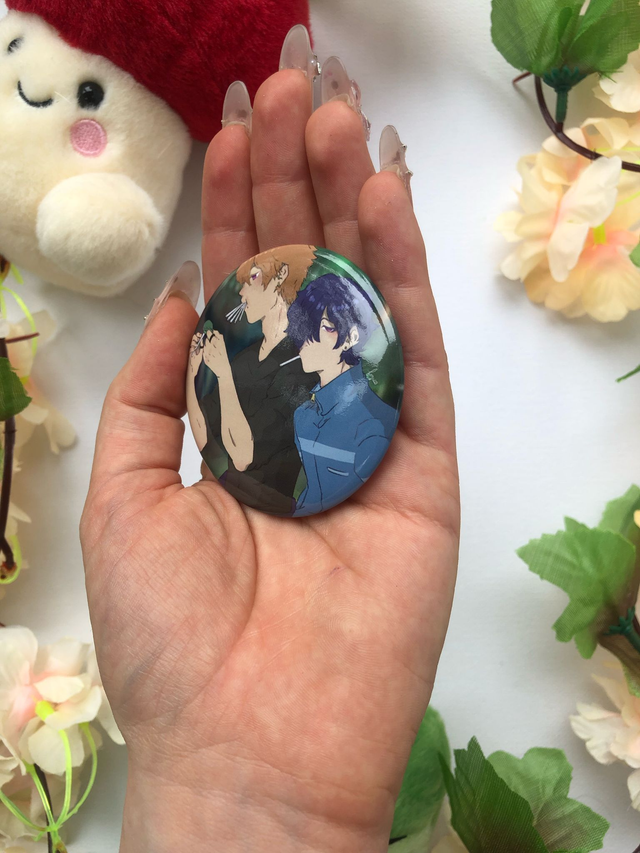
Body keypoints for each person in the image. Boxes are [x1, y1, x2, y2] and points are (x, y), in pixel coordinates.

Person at [80, 24, 460, 853]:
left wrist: (220, 384)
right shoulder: (298, 382)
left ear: (332, 337)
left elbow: (257, 454)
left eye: (308, 329)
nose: (291, 334)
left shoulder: (349, 412)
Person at [187, 246, 318, 515]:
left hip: (275, 504)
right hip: (225, 502)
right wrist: (192, 372)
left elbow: (243, 457)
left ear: (281, 276)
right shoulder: (245, 359)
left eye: (253, 279)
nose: (242, 292)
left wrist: (223, 375)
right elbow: (203, 433)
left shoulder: (303, 365)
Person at [286, 273, 399, 515]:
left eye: (325, 328)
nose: (307, 340)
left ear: (351, 338)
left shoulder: (370, 425)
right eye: (304, 325)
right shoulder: (303, 416)